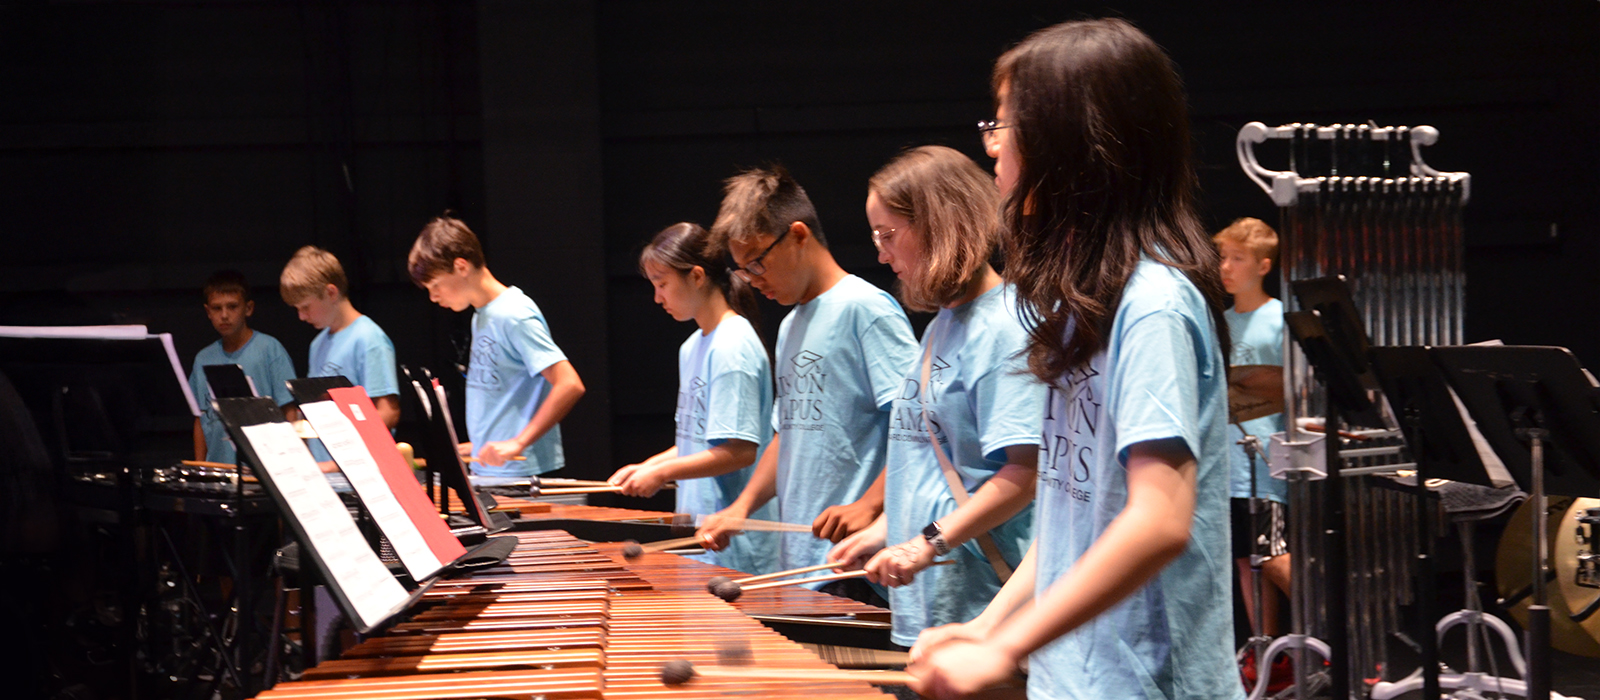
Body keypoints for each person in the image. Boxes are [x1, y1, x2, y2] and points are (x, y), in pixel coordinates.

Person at [908, 19, 1240, 700]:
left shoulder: (1152, 304)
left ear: (1069, 145)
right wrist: (988, 627)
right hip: (1074, 680)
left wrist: (1005, 644)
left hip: (1150, 685)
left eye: (1004, 128)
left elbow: (1158, 521)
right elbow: (1069, 519)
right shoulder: (1079, 310)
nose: (992, 151)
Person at [827, 145, 1044, 649]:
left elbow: (1027, 473)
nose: (881, 254)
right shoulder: (942, 325)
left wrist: (926, 542)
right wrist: (886, 529)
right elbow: (935, 463)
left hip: (988, 611)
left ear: (939, 224)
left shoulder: (1006, 326)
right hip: (933, 605)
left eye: (888, 235)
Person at [697, 165, 918, 600]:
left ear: (798, 234)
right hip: (801, 563)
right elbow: (789, 434)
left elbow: (921, 429)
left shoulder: (866, 309)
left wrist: (870, 504)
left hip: (856, 565)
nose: (752, 279)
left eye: (758, 262)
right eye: (742, 269)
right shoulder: (790, 325)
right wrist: (741, 509)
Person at [607, 222, 779, 575]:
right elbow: (699, 438)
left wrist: (663, 473)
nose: (657, 297)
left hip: (736, 544)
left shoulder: (733, 346)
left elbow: (739, 450)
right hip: (702, 536)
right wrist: (650, 466)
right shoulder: (692, 347)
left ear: (697, 276)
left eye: (662, 283)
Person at [407, 215, 585, 477]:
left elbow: (569, 383)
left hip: (521, 471)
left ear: (461, 266)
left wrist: (519, 442)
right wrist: (476, 446)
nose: (433, 297)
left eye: (435, 285)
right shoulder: (483, 314)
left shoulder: (513, 314)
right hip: (492, 469)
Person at [1216, 218, 1291, 649]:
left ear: (1263, 266)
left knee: (1273, 555)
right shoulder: (1221, 321)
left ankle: (1331, 627)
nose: (1226, 267)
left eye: (1237, 259)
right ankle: (1266, 652)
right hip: (1226, 463)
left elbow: (1295, 390)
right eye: (1223, 257)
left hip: (1265, 462)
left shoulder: (1278, 317)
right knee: (1247, 560)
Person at [280, 246, 401, 431]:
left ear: (331, 293)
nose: (301, 317)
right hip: (323, 459)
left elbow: (388, 412)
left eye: (305, 307)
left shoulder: (369, 338)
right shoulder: (317, 344)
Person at [188, 270, 296, 463]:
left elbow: (289, 409)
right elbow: (200, 417)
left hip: (265, 467)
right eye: (216, 308)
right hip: (219, 468)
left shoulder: (270, 349)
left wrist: (292, 462)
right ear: (208, 312)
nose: (224, 315)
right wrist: (201, 466)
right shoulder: (203, 358)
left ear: (248, 308)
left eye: (232, 307)